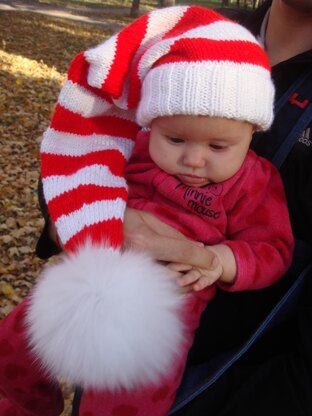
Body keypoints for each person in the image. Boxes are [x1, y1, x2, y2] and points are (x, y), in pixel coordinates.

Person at [0, 5, 295, 416]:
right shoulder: (135, 148)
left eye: (217, 147)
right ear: (150, 124)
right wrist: (79, 221)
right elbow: (83, 166)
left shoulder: (254, 181)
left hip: (166, 309)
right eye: (175, 139)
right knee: (15, 347)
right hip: (90, 274)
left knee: (127, 397)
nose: (194, 160)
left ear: (252, 133)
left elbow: (274, 246)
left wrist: (221, 260)